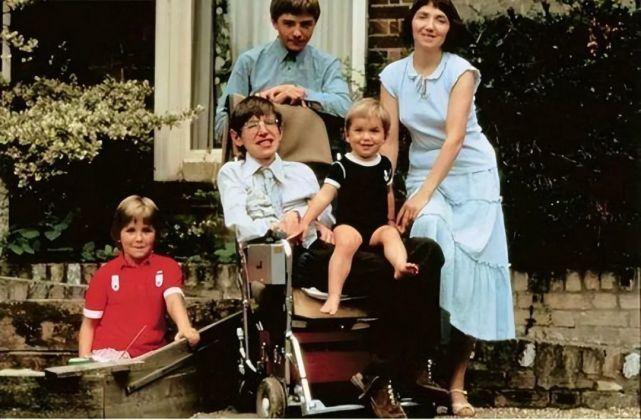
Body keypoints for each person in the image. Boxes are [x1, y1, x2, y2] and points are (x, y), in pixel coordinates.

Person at [218, 96, 447, 418]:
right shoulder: (233, 173)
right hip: (290, 257)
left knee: (427, 253)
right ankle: (388, 374)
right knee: (384, 269)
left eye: (270, 123)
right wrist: (278, 226)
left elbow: (328, 213)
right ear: (237, 137)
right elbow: (238, 223)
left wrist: (321, 224)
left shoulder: (301, 172)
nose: (264, 130)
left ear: (281, 132)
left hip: (333, 245)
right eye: (252, 125)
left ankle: (400, 367)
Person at [379, 0, 516, 416]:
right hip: (425, 173)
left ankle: (456, 385)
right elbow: (390, 142)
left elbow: (455, 139)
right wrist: (387, 196)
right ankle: (418, 366)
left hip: (471, 174)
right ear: (410, 23)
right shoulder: (392, 75)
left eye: (440, 19)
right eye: (423, 16)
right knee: (431, 240)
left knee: (467, 277)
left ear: (449, 28)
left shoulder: (461, 72)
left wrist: (422, 194)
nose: (430, 25)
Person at [291, 98, 418, 315]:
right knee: (346, 244)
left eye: (374, 131)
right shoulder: (341, 167)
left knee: (391, 235)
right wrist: (306, 221)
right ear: (347, 135)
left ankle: (399, 265)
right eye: (359, 130)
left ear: (385, 136)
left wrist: (390, 219)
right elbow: (324, 196)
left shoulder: (385, 164)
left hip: (376, 226)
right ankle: (334, 295)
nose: (366, 137)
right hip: (349, 225)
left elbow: (388, 192)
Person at [78, 195, 200, 361]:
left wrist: (185, 328)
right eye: (130, 231)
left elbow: (173, 298)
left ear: (156, 233)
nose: (139, 239)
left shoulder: (167, 267)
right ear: (118, 234)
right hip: (107, 357)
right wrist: (84, 364)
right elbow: (88, 326)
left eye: (146, 230)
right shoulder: (104, 275)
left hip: (152, 358)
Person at [214, 0, 352, 142]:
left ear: (315, 24)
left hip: (311, 152)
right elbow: (221, 125)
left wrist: (302, 94)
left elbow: (346, 108)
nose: (297, 33)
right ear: (274, 22)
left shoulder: (327, 64)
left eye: (305, 25)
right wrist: (262, 101)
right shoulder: (249, 62)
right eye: (289, 24)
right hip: (259, 152)